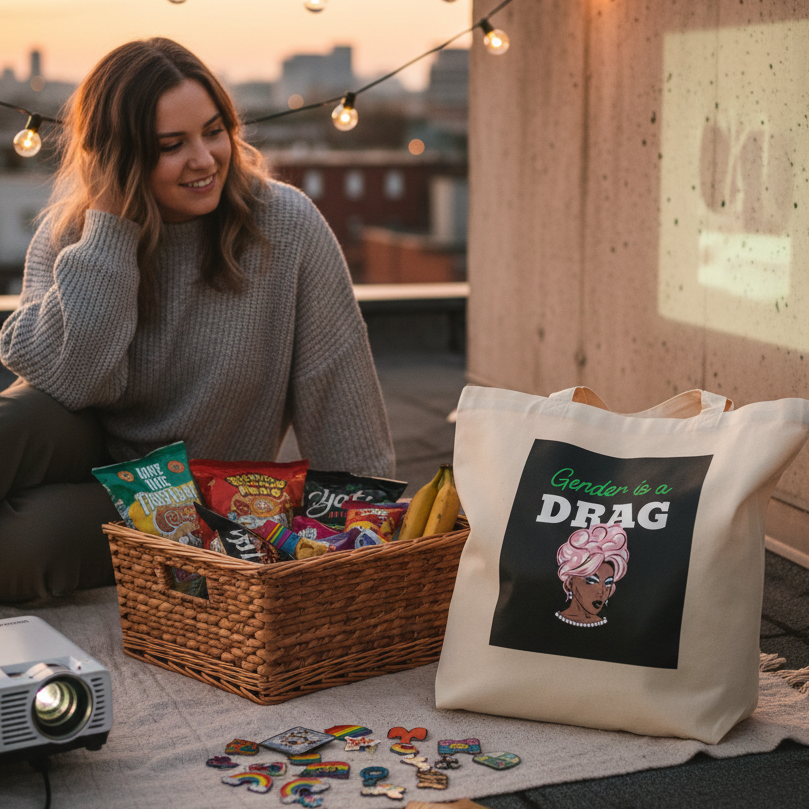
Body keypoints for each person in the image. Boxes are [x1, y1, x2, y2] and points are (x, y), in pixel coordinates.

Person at [0, 38, 395, 602]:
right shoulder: (74, 233)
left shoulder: (285, 226)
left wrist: (367, 533)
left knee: (27, 539)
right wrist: (112, 227)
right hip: (91, 443)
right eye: (171, 145)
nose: (205, 159)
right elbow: (70, 382)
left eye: (214, 131)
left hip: (196, 495)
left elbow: (340, 391)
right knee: (14, 419)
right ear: (118, 156)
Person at [555, 523, 629, 627]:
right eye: (592, 581)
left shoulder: (621, 626)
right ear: (570, 583)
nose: (602, 591)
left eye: (608, 583)